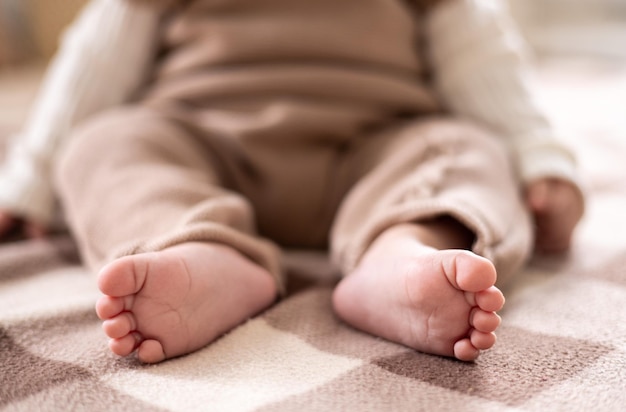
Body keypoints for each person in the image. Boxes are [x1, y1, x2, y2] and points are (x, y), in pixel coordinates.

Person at [0, 0, 584, 364]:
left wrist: (541, 161)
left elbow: (485, 67)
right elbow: (93, 69)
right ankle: (197, 251)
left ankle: (402, 254)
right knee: (105, 142)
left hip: (374, 152)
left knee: (466, 149)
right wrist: (29, 181)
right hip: (206, 147)